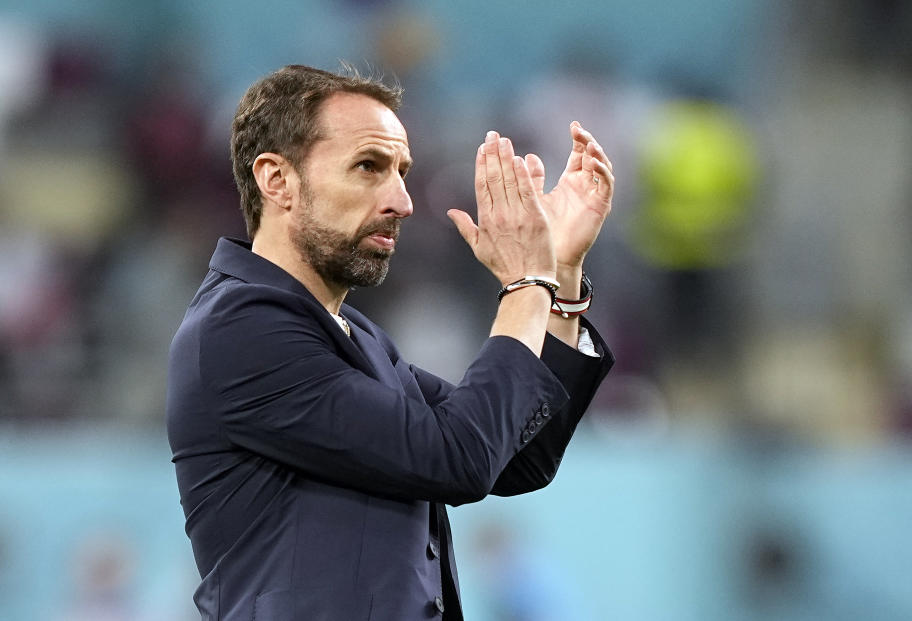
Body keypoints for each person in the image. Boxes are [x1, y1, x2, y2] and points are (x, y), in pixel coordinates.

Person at [166, 64, 615, 621]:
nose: (402, 200)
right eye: (368, 167)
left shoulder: (357, 336)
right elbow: (460, 457)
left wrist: (561, 274)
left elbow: (516, 456)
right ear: (276, 179)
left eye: (401, 171)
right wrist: (527, 284)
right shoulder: (241, 329)